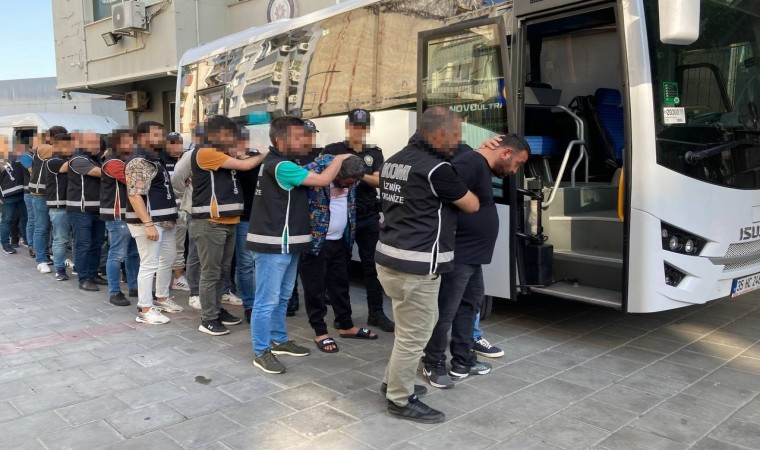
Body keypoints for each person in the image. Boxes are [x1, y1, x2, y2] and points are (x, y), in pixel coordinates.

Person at [375, 107, 479, 423]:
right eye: (455, 135)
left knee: (408, 331)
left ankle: (392, 383)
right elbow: (471, 204)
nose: (458, 141)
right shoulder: (437, 170)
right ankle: (400, 399)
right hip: (417, 267)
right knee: (414, 336)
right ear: (439, 133)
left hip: (390, 259)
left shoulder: (393, 161)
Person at [422, 135, 530, 388]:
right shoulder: (470, 163)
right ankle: (432, 361)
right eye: (517, 163)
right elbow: (440, 195)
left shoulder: (478, 164)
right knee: (446, 310)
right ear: (505, 153)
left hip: (472, 256)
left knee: (469, 306)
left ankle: (463, 360)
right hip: (459, 254)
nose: (514, 170)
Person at [247, 116, 352, 374]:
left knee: (283, 296)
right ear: (281, 140)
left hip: (291, 243)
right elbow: (322, 180)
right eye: (298, 136)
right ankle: (261, 350)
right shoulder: (280, 165)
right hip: (274, 244)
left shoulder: (287, 163)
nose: (304, 140)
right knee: (266, 300)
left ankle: (279, 339)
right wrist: (339, 159)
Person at [189, 115, 265, 336]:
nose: (232, 138)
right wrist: (266, 153)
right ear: (215, 134)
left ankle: (217, 310)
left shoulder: (221, 153)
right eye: (228, 134)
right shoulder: (206, 152)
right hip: (210, 223)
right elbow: (246, 165)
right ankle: (208, 319)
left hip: (229, 221)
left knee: (222, 272)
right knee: (211, 273)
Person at [323, 109, 394, 332]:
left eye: (363, 127)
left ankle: (376, 313)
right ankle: (343, 315)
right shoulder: (334, 150)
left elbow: (380, 182)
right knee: (340, 267)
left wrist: (357, 173)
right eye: (355, 126)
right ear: (348, 126)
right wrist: (363, 175)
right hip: (343, 216)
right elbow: (324, 178)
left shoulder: (374, 153)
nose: (358, 131)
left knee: (372, 266)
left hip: (368, 215)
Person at [301, 152, 377, 353]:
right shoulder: (315, 172)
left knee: (341, 285)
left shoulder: (351, 179)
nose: (350, 187)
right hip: (316, 242)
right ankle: (320, 331)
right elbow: (301, 176)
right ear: (336, 173)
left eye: (354, 184)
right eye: (347, 183)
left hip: (341, 240)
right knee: (315, 288)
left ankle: (346, 325)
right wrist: (335, 161)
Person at [125, 121, 184, 325]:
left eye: (162, 133)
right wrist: (148, 223)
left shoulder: (155, 159)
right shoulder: (138, 161)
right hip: (149, 222)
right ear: (142, 137)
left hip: (165, 220)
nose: (161, 138)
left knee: (167, 259)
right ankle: (145, 308)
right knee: (149, 264)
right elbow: (134, 195)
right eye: (156, 134)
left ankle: (162, 298)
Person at [100, 129, 140, 306]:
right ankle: (114, 291)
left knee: (133, 253)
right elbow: (135, 181)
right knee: (117, 254)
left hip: (130, 213)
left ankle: (135, 287)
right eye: (128, 141)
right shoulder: (113, 162)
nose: (133, 144)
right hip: (118, 214)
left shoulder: (125, 160)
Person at [66, 132, 108, 291]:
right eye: (91, 142)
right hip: (80, 210)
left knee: (97, 244)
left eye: (97, 142)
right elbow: (102, 173)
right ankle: (84, 278)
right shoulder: (78, 159)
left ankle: (93, 274)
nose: (95, 145)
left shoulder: (97, 159)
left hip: (98, 209)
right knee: (83, 244)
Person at [28, 128, 61, 272]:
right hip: (40, 193)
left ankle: (48, 254)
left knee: (53, 227)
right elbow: (63, 151)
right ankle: (41, 260)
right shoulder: (44, 148)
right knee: (42, 227)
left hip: (53, 193)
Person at [164, 132, 191, 292]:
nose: (176, 146)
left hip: (187, 206)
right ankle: (178, 277)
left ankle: (180, 275)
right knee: (176, 244)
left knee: (185, 243)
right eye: (172, 143)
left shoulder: (187, 158)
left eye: (179, 142)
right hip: (171, 207)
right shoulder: (161, 160)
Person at [45, 135, 74, 281]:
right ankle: (60, 269)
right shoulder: (53, 161)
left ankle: (78, 267)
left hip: (74, 206)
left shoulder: (71, 159)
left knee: (77, 240)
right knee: (61, 239)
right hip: (59, 207)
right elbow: (66, 167)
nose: (70, 148)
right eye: (66, 145)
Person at [0, 142, 28, 255]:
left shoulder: (18, 159)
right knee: (7, 220)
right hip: (6, 197)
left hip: (22, 194)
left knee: (26, 218)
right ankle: (5, 244)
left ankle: (27, 240)